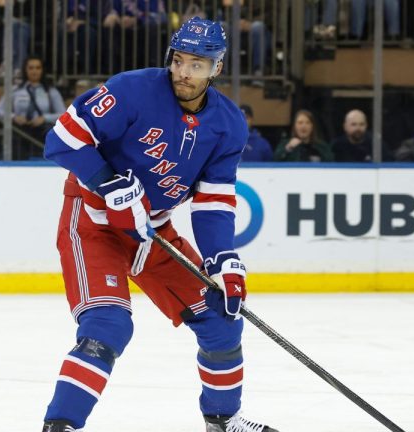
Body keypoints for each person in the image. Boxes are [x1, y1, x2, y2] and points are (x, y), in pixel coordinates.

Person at [42, 17, 278, 432]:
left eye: (198, 65)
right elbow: (62, 138)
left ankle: (222, 420)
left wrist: (222, 258)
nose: (185, 72)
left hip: (152, 233)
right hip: (93, 222)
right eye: (179, 60)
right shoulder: (131, 90)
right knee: (107, 327)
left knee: (221, 323)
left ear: (217, 68)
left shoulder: (227, 124)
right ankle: (60, 427)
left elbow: (213, 200)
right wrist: (105, 181)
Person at [0, 55, 66, 152]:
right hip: (19, 131)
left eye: (38, 68)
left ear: (42, 70)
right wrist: (14, 117)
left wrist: (44, 118)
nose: (34, 71)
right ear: (25, 70)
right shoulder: (14, 90)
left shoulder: (51, 91)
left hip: (43, 130)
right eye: (31, 68)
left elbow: (64, 115)